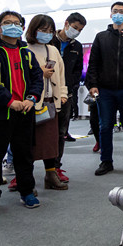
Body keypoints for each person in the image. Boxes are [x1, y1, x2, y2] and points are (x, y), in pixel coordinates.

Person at [0, 11, 43, 215]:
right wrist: (9, 101)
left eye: (17, 23)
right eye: (7, 23)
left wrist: (31, 99)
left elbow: (37, 78)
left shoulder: (27, 54)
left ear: (22, 28)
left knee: (24, 154)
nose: (13, 26)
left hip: (24, 112)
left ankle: (26, 191)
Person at [85, 2, 123, 176]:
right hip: (105, 90)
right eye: (115, 11)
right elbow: (93, 62)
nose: (118, 14)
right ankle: (106, 161)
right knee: (104, 127)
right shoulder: (101, 37)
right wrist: (93, 84)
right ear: (110, 15)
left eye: (121, 12)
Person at [26, 15, 68, 191]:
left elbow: (61, 74)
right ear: (33, 30)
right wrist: (39, 72)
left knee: (51, 142)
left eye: (50, 31)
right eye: (43, 30)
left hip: (51, 102)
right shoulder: (24, 49)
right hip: (30, 104)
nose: (47, 34)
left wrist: (63, 94)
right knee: (29, 143)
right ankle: (26, 179)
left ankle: (50, 174)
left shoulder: (53, 50)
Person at [49, 12, 86, 183]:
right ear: (66, 24)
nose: (77, 32)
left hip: (65, 95)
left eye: (80, 30)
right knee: (38, 132)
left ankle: (56, 167)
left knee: (61, 132)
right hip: (45, 94)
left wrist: (70, 88)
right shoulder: (49, 40)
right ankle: (23, 171)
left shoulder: (76, 46)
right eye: (75, 28)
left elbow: (78, 70)